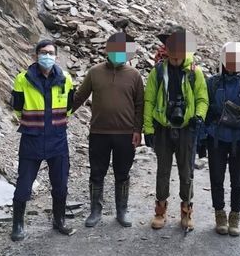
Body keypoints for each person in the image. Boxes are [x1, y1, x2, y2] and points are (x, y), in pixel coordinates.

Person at [72, 33, 144, 228]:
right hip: (99, 133)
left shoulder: (134, 75)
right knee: (97, 172)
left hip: (125, 134)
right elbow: (79, 97)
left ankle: (122, 210)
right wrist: (63, 115)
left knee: (122, 173)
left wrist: (138, 130)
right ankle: (95, 210)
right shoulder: (94, 72)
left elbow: (140, 105)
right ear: (107, 49)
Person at [143, 28, 209, 230]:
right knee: (162, 171)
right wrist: (148, 129)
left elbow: (202, 98)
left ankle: (186, 212)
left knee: (186, 172)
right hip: (163, 127)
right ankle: (160, 211)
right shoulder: (157, 71)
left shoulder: (194, 72)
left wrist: (199, 116)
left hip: (186, 129)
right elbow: (149, 100)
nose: (174, 55)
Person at [10, 39, 75, 241]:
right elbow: (17, 107)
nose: (47, 56)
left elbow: (70, 107)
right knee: (24, 184)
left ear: (56, 56)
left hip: (57, 139)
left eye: (50, 53)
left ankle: (59, 220)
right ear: (36, 55)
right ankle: (18, 224)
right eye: (43, 52)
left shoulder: (66, 78)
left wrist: (56, 124)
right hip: (32, 138)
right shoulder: (23, 79)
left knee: (61, 184)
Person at [204, 42, 240, 236]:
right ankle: (220, 214)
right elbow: (206, 107)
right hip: (216, 138)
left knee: (237, 180)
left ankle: (235, 216)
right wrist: (205, 132)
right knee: (216, 178)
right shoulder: (213, 82)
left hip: (238, 141)